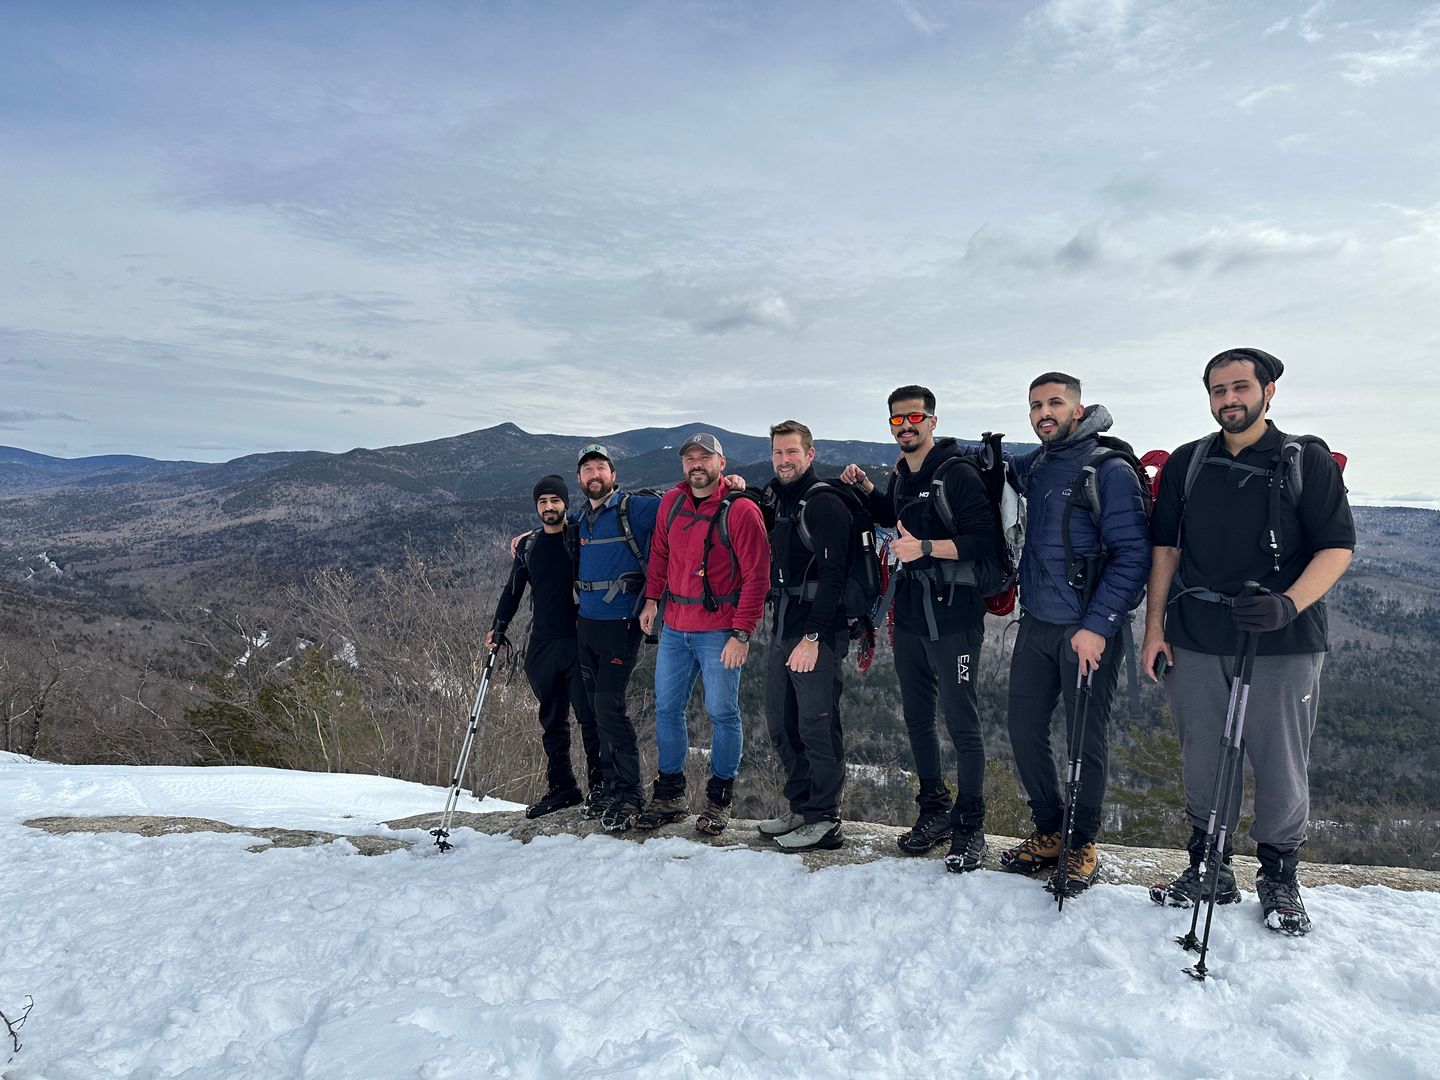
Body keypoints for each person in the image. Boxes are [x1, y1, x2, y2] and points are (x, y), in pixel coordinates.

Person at [1141, 348, 1354, 936]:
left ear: (1268, 392)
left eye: (1240, 387)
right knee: (1204, 758)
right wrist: (1154, 626)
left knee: (1280, 760)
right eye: (1218, 390)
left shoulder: (1305, 460)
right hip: (1196, 633)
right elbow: (1166, 550)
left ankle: (1279, 876)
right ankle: (1209, 867)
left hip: (1283, 640)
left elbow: (1336, 546)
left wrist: (1289, 603)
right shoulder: (1189, 463)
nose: (1228, 399)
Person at [999, 374, 1151, 895]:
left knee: (1084, 739)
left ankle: (1081, 842)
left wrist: (1097, 626)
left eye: (1054, 403)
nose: (1044, 413)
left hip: (1087, 630)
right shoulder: (1040, 463)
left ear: (1078, 409)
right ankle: (1049, 830)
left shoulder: (1108, 469)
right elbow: (996, 463)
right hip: (1037, 622)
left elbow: (1133, 555)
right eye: (1035, 405)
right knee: (1023, 729)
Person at [840, 386, 1001, 872]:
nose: (905, 426)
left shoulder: (958, 474)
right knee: (917, 716)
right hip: (909, 611)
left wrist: (927, 548)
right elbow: (898, 518)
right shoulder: (903, 474)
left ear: (932, 420)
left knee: (962, 722)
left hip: (954, 615)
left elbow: (985, 540)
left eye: (914, 417)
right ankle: (933, 810)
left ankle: (969, 825)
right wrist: (869, 492)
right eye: (897, 420)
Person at [638, 432, 769, 836]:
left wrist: (742, 633)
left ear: (721, 463)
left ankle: (719, 799)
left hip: (720, 630)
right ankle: (669, 795)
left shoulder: (741, 510)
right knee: (666, 709)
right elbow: (660, 553)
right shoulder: (671, 503)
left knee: (722, 712)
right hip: (675, 626)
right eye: (689, 458)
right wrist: (652, 600)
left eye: (704, 457)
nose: (696, 464)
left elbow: (757, 576)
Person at [486, 475, 604, 819]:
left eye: (555, 500)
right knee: (552, 720)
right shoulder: (529, 546)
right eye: (542, 502)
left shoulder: (580, 537)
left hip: (577, 640)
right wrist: (499, 627)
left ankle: (600, 788)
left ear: (565, 503)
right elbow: (513, 590)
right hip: (542, 643)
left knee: (589, 718)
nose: (549, 507)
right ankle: (563, 786)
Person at [758, 420, 852, 851]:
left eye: (792, 452)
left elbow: (834, 576)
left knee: (817, 725)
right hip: (785, 624)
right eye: (778, 452)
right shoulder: (780, 498)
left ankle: (824, 817)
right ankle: (801, 806)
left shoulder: (824, 504)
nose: (784, 460)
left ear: (810, 454)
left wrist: (813, 638)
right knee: (782, 722)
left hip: (817, 631)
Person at [571, 443, 661, 832]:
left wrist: (732, 486)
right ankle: (609, 789)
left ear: (613, 475)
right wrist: (527, 536)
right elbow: (553, 527)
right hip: (586, 624)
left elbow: (684, 505)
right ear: (580, 478)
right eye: (587, 469)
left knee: (609, 707)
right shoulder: (582, 518)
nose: (594, 474)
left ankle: (631, 794)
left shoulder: (634, 508)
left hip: (622, 623)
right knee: (594, 711)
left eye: (600, 467)